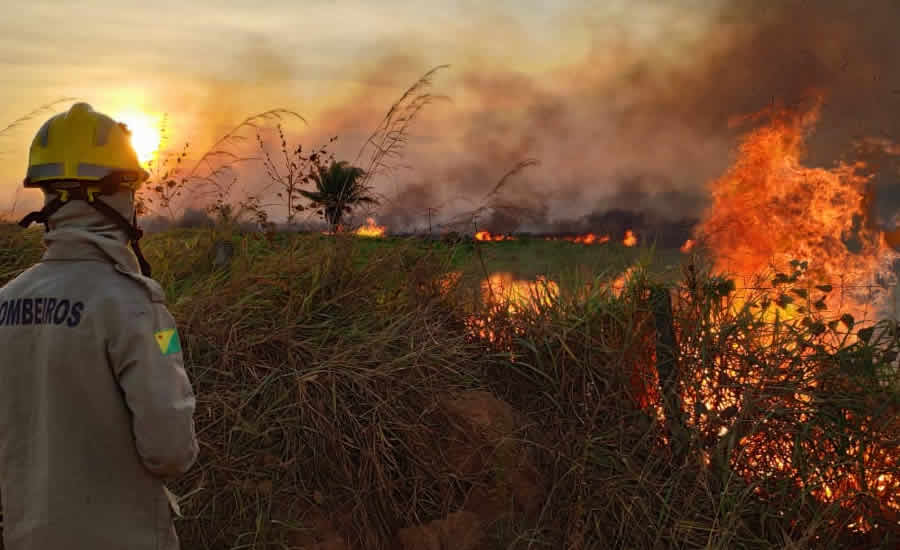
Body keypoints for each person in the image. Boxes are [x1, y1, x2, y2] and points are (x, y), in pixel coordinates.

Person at [0, 103, 199, 549]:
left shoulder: (6, 301)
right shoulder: (136, 306)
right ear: (114, 196)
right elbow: (170, 451)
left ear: (47, 196)